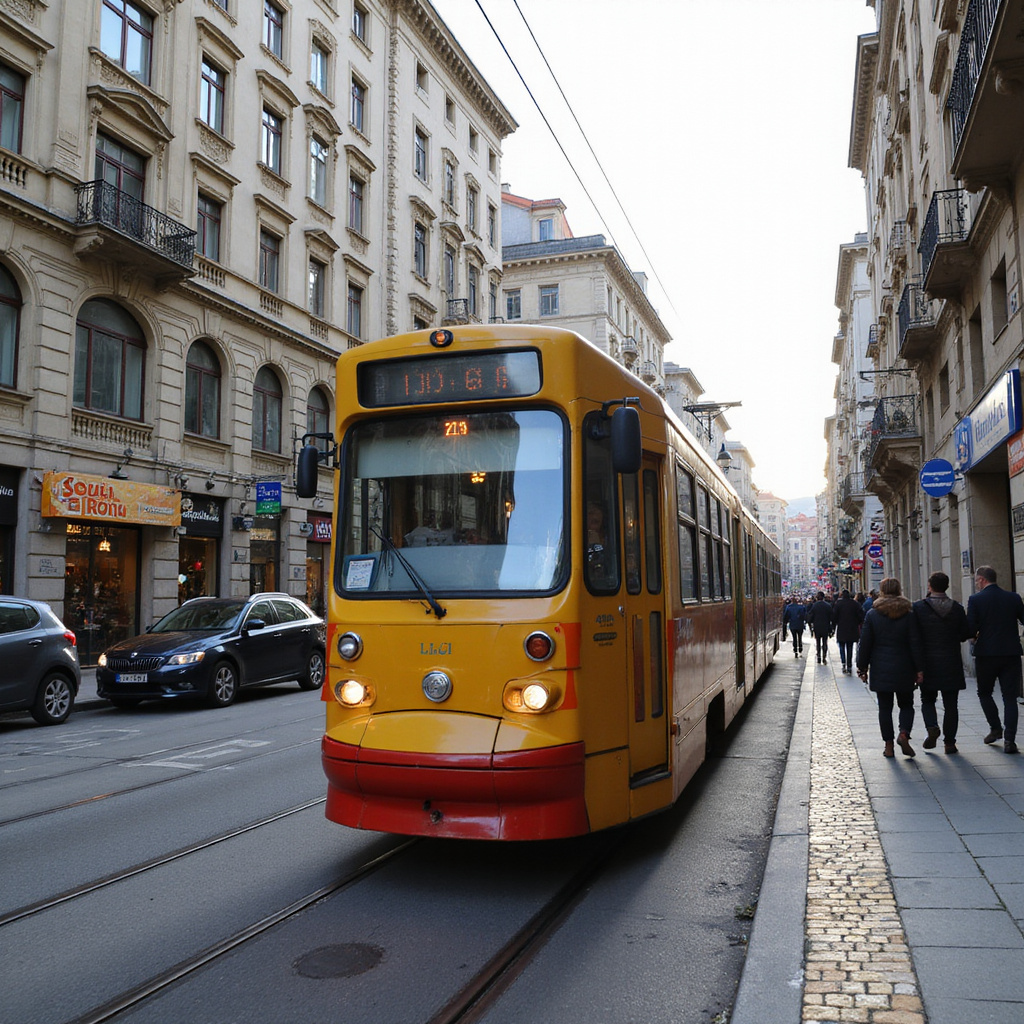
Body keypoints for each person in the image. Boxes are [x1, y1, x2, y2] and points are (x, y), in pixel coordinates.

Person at [856, 577, 925, 758]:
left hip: (881, 667)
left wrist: (861, 667)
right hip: (905, 666)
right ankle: (904, 734)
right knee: (907, 704)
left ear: (882, 591)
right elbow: (915, 643)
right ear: (899, 589)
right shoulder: (909, 613)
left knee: (885, 708)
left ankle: (888, 746)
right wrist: (919, 669)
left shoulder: (872, 614)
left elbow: (865, 644)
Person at [966, 565, 1024, 754]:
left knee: (984, 693)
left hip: (986, 655)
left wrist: (974, 637)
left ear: (982, 579)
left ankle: (995, 728)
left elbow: (970, 628)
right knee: (1010, 697)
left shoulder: (975, 600)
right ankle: (1009, 740)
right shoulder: (1013, 598)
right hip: (1011, 654)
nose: (976, 585)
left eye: (976, 581)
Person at [912, 571, 971, 754]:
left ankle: (931, 726)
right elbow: (964, 634)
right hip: (951, 661)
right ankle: (950, 743)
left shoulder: (919, 608)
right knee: (951, 704)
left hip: (927, 662)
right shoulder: (957, 608)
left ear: (930, 586)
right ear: (946, 586)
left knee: (927, 699)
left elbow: (914, 636)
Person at [831, 588, 864, 674]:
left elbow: (834, 617)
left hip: (841, 628)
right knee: (850, 647)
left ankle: (843, 663)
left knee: (841, 646)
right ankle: (849, 665)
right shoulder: (855, 604)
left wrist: (834, 626)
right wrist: (857, 623)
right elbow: (861, 616)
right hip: (852, 629)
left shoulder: (838, 604)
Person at [807, 591, 833, 664]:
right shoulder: (828, 605)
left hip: (817, 627)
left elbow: (810, 616)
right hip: (825, 626)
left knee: (818, 642)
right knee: (825, 642)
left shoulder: (815, 605)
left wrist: (810, 623)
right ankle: (824, 657)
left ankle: (818, 655)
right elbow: (832, 616)